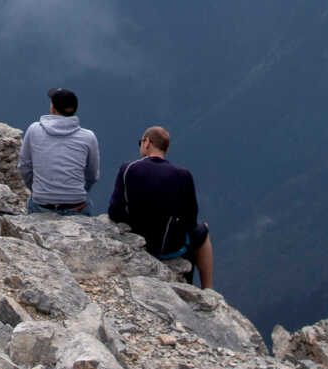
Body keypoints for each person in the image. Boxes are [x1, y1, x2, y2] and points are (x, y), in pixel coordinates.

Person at [109, 125, 213, 290]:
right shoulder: (183, 175)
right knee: (203, 232)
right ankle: (208, 289)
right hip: (170, 246)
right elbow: (191, 218)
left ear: (147, 142)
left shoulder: (129, 169)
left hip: (137, 242)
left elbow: (115, 211)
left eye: (140, 142)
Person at [18, 88, 100, 214]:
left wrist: (37, 190)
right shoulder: (88, 137)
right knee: (87, 202)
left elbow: (24, 167)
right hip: (76, 205)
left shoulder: (34, 130)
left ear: (52, 109)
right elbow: (92, 175)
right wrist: (76, 192)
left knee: (32, 201)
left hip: (42, 204)